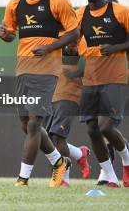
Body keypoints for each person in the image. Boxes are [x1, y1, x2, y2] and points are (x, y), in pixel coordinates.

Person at [0, 0, 78, 187]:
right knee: (26, 124)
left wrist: (51, 47)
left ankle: (22, 179)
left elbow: (74, 33)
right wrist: (4, 35)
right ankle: (59, 163)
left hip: (48, 70)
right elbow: (10, 34)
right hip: (23, 69)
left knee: (34, 125)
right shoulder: (15, 3)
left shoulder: (57, 1)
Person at [75, 0, 129, 188]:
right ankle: (109, 176)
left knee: (106, 126)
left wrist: (115, 48)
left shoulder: (121, 12)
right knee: (92, 129)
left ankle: (126, 157)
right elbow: (73, 42)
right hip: (91, 79)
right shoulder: (79, 15)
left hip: (116, 78)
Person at [44, 42, 91, 186]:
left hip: (70, 95)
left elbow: (94, 64)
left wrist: (76, 70)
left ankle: (64, 179)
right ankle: (79, 153)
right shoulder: (54, 33)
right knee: (49, 138)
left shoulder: (82, 34)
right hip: (52, 94)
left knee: (58, 136)